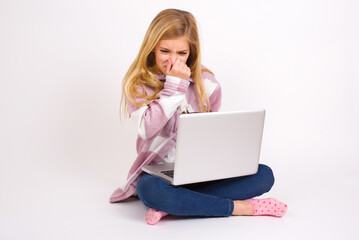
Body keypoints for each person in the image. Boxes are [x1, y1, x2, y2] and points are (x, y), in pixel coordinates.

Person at [110, 8, 287, 225]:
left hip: (200, 173)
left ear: (191, 52)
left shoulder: (207, 83)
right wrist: (175, 86)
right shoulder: (139, 83)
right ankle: (239, 208)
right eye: (165, 51)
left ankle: (174, 207)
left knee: (264, 175)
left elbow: (211, 135)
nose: (173, 61)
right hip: (160, 176)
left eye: (182, 53)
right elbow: (147, 129)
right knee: (149, 190)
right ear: (152, 48)